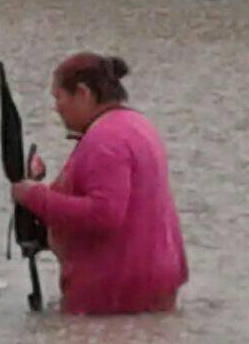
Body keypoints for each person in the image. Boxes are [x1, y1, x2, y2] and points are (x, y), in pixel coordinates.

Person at [11, 52, 188, 315]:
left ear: (83, 93)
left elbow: (104, 214)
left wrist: (33, 196)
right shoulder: (138, 125)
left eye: (59, 97)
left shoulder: (105, 140)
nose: (56, 108)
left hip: (113, 292)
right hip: (158, 280)